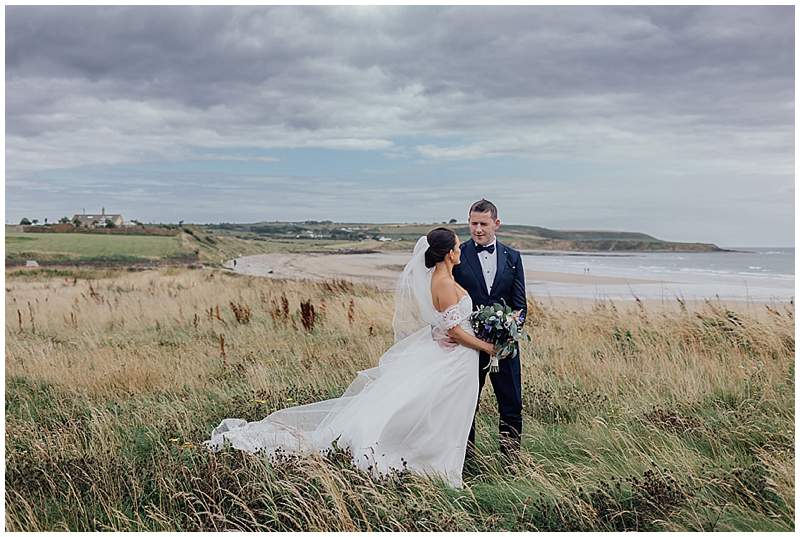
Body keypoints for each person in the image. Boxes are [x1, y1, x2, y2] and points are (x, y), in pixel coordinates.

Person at [204, 227, 495, 488]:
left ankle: (441, 462)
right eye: (457, 246)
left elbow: (448, 323)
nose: (460, 250)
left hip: (457, 358)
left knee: (446, 412)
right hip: (455, 356)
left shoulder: (445, 277)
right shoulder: (442, 283)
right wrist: (487, 346)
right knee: (437, 411)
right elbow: (455, 331)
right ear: (447, 253)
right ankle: (430, 464)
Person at [452, 199, 527, 464]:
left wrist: (510, 330)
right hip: (470, 348)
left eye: (484, 223)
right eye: (474, 223)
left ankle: (510, 463)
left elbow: (520, 306)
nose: (478, 229)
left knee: (511, 406)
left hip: (506, 348)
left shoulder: (513, 257)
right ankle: (466, 461)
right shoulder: (458, 255)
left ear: (497, 223)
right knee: (467, 406)